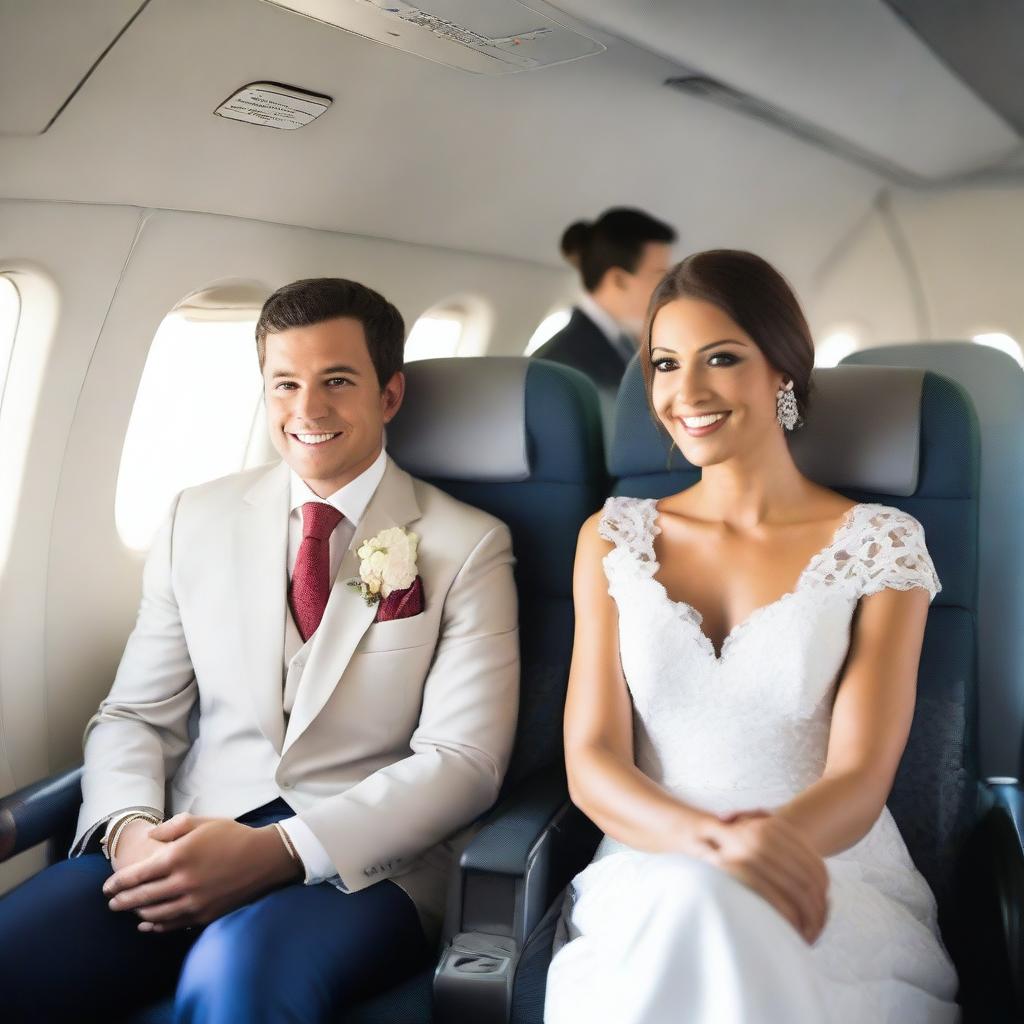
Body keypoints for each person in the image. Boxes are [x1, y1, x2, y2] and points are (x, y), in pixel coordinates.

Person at [0, 278, 519, 1022]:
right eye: (286, 384)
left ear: (389, 395)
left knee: (235, 974)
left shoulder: (466, 544)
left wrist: (279, 851)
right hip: (181, 839)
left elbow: (462, 763)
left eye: (337, 381)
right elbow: (135, 716)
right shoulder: (195, 518)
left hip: (360, 872)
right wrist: (130, 832)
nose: (307, 411)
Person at [544, 251, 959, 1023]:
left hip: (821, 858)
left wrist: (760, 852)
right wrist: (708, 846)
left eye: (722, 358)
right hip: (649, 863)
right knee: (694, 913)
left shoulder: (882, 543)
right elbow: (592, 759)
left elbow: (861, 777)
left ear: (783, 373)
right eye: (666, 364)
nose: (686, 392)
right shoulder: (611, 536)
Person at [531, 208, 676, 437]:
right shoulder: (561, 363)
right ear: (618, 280)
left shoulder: (626, 340)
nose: (668, 288)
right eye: (660, 276)